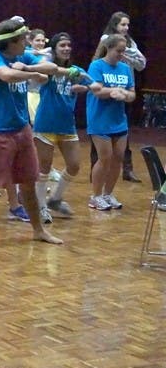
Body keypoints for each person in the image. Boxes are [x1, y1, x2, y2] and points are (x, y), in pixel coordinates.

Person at [0, 19, 65, 252]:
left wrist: (26, 68)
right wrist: (29, 72)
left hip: (22, 130)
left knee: (28, 182)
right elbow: (6, 75)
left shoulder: (23, 57)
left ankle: (38, 230)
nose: (27, 43)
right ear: (12, 42)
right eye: (23, 39)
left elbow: (51, 68)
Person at [33, 32, 97, 222]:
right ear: (54, 49)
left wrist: (86, 87)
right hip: (46, 123)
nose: (66, 48)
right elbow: (37, 67)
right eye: (62, 45)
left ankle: (55, 199)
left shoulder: (76, 71)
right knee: (44, 168)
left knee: (74, 165)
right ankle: (40, 207)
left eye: (69, 45)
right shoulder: (49, 68)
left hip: (67, 125)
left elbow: (94, 86)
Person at [92, 12, 146, 182]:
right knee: (101, 139)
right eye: (123, 24)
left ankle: (127, 169)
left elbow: (141, 64)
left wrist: (130, 53)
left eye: (127, 25)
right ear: (114, 25)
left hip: (124, 90)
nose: (126, 28)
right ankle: (96, 171)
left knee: (122, 134)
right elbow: (97, 60)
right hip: (106, 90)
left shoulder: (130, 43)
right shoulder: (106, 39)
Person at [86, 34, 135, 210]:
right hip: (99, 119)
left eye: (123, 51)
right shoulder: (96, 66)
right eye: (118, 51)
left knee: (118, 158)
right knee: (104, 158)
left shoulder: (125, 68)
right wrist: (113, 91)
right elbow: (97, 91)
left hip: (119, 120)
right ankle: (96, 196)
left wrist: (126, 95)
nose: (121, 55)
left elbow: (132, 93)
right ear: (108, 48)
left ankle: (108, 193)